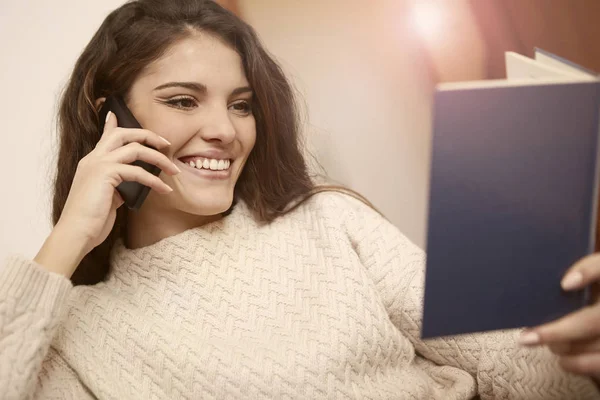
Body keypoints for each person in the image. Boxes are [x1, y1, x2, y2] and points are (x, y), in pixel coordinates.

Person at [1, 0, 600, 398]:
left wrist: (580, 347)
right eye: (184, 101)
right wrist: (68, 241)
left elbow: (517, 366)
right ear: (110, 119)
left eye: (241, 104)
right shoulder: (76, 327)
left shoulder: (328, 221)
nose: (227, 131)